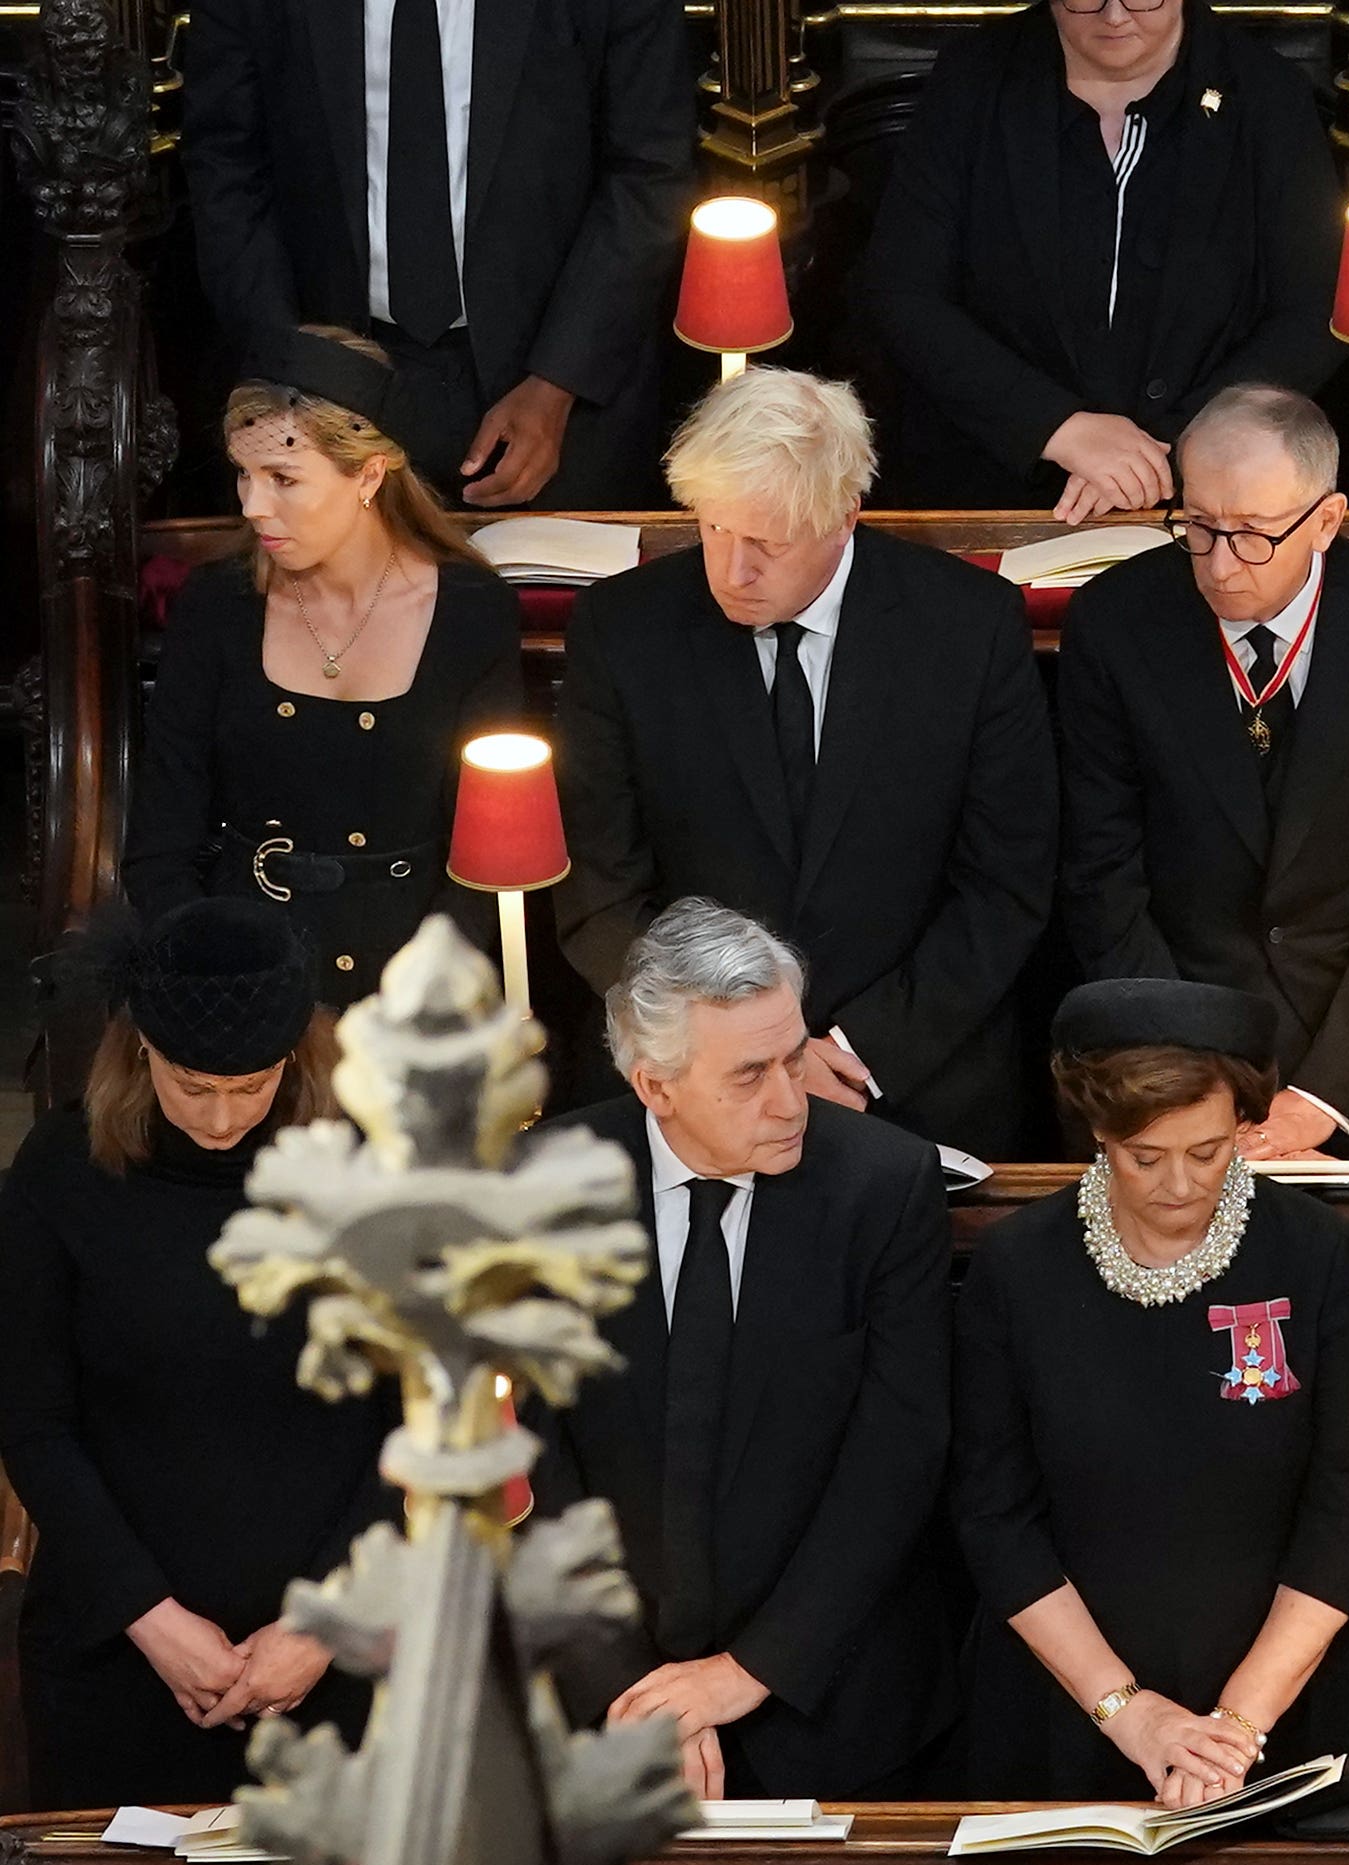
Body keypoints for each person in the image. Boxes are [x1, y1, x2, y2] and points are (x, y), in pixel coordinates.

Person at [554, 368, 1057, 1159]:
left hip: (908, 1079)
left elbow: (1005, 883)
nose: (731, 569)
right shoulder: (622, 630)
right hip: (683, 1081)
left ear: (843, 517)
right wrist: (737, 1059)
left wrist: (854, 1055)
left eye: (766, 542)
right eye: (714, 529)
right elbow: (598, 886)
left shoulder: (968, 627)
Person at [534, 900, 959, 1799]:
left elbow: (897, 1458)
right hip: (598, 1711)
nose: (788, 1099)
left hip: (832, 1708)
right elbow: (528, 1464)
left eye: (794, 1056)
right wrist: (633, 1698)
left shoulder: (885, 1186)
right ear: (656, 1085)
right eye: (748, 1074)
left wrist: (749, 1672)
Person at [952, 979, 1349, 1802]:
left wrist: (1233, 1729)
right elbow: (993, 1513)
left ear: (1243, 1126)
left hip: (1283, 1708)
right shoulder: (1019, 1268)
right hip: (1069, 1705)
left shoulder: (1317, 1257)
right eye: (1142, 1157)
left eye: (1206, 1152)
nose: (1178, 1185)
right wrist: (1129, 1713)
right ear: (1097, 1131)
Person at [0, 899, 386, 1809]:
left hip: (340, 1648)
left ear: (296, 1057)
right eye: (193, 1085)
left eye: (251, 1086)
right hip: (118, 1641)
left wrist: (318, 1623)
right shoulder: (62, 1168)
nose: (221, 1118)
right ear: (141, 1054)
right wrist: (153, 1620)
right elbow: (32, 1420)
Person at [1057, 386, 1349, 1159]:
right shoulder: (1115, 623)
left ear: (1325, 521)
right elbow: (1100, 871)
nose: (1216, 564)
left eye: (1250, 533)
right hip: (1166, 1047)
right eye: (1198, 526)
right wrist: (1191, 1074)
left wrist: (1325, 1095)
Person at [124, 328, 524, 1005]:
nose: (252, 505)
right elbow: (160, 843)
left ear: (368, 475)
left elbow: (490, 847)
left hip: (418, 985)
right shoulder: (216, 606)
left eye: (283, 479)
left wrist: (426, 998)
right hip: (240, 966)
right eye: (243, 474)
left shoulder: (471, 612)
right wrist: (217, 985)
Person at [181, 0, 693, 506]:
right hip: (325, 381)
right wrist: (291, 375)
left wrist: (558, 380)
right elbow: (225, 167)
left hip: (559, 393)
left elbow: (649, 172)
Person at [857, 0, 1344, 517]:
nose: (1114, 16)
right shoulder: (975, 79)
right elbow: (903, 290)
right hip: (996, 478)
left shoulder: (1265, 92)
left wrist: (1164, 448)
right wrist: (1056, 426)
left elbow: (1315, 310)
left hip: (1209, 495)